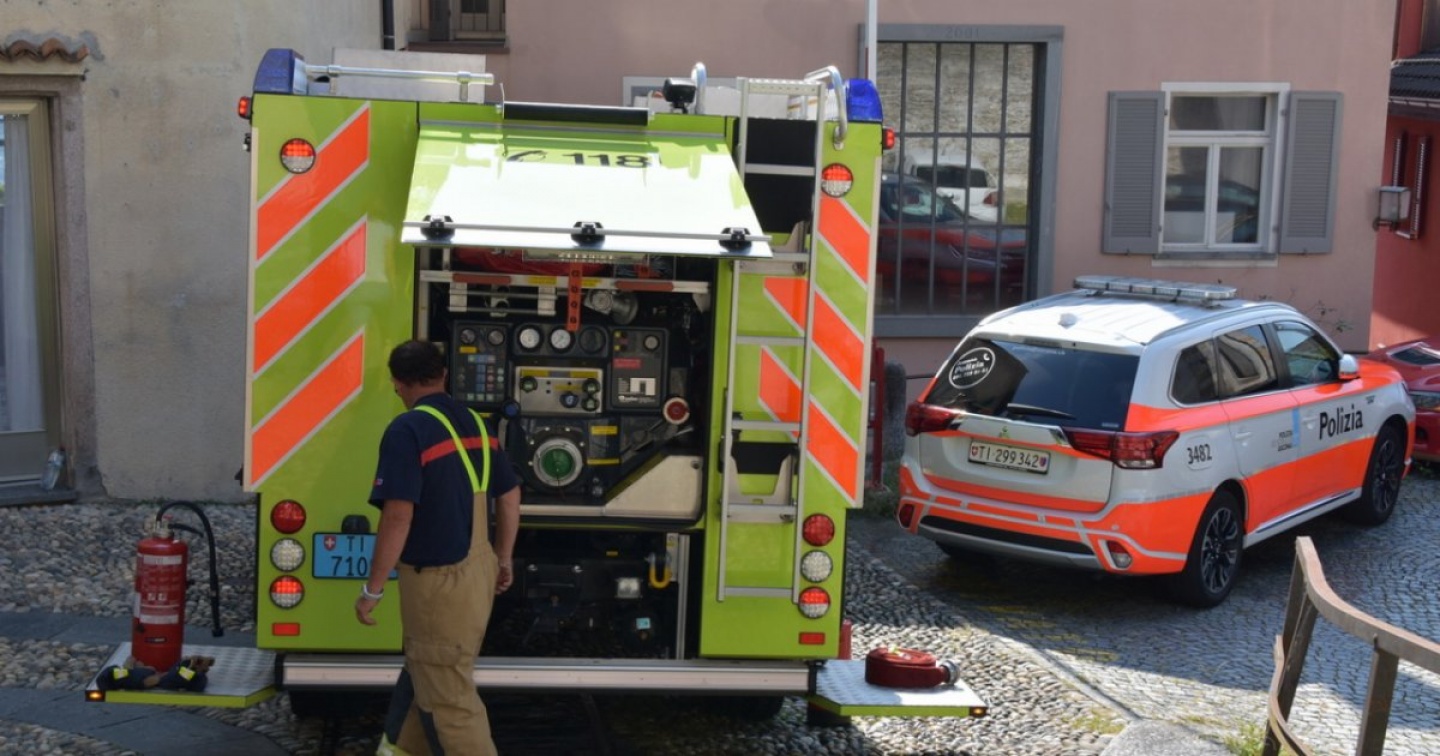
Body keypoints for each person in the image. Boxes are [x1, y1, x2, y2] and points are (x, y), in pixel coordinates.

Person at [356, 339, 521, 756]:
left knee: (449, 703)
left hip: (437, 586)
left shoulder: (407, 430)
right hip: (477, 572)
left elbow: (398, 516)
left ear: (397, 383)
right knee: (426, 676)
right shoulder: (476, 423)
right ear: (444, 374)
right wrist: (503, 559)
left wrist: (373, 589)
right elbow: (509, 495)